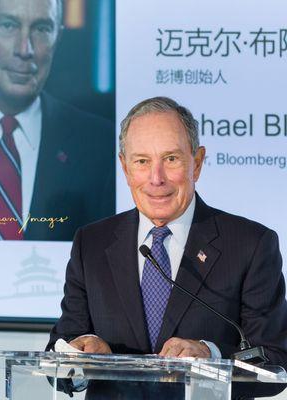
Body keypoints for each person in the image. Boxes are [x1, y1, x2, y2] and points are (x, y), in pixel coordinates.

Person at [47, 97, 287, 398]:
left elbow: (274, 365)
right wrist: (84, 354)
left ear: (196, 163)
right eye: (142, 161)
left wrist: (210, 356)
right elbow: (60, 352)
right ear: (124, 167)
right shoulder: (92, 244)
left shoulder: (250, 245)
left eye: (171, 159)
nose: (156, 179)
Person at [0, 0, 114, 241]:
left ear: (57, 40)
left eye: (42, 29)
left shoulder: (100, 146)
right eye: (8, 25)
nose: (25, 49)